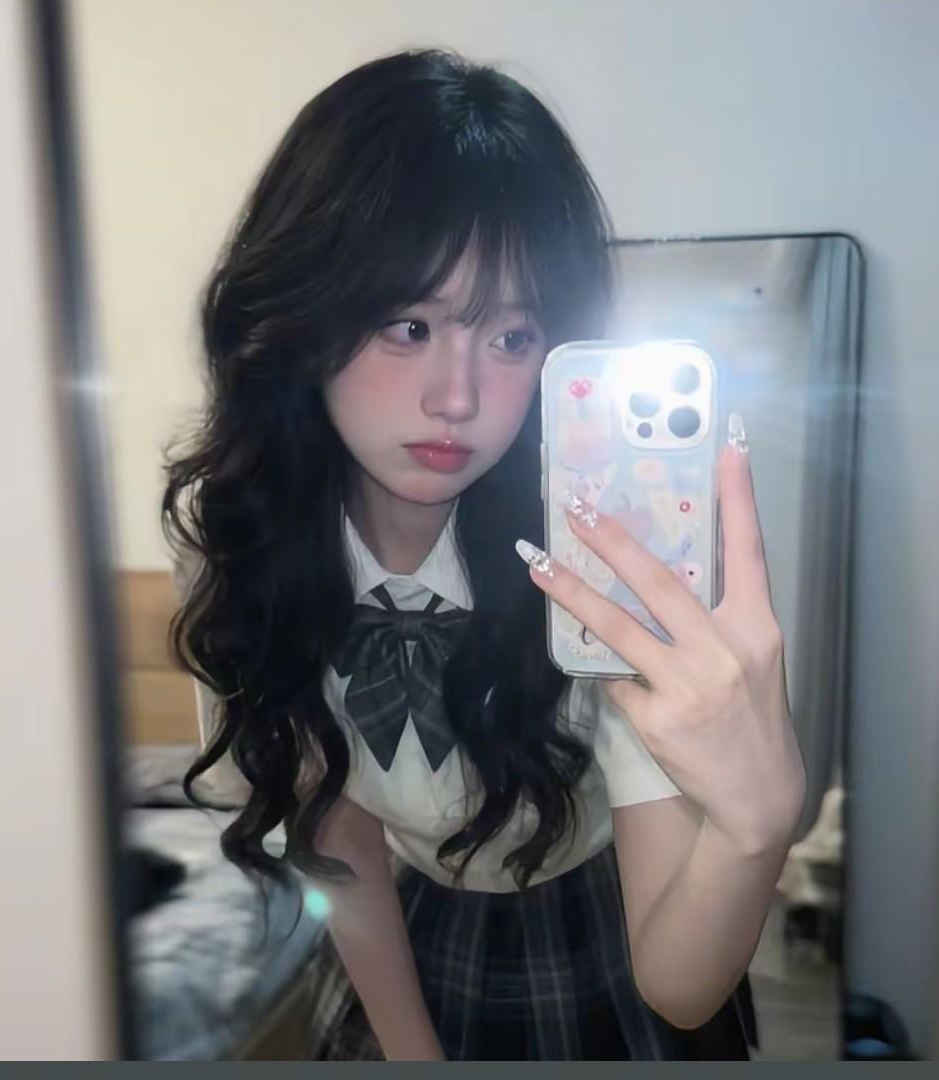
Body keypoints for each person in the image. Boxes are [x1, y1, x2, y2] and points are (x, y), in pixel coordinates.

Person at [164, 48, 805, 1061]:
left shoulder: (599, 548)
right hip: (408, 925)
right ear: (304, 316)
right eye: (407, 325)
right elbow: (335, 826)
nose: (457, 398)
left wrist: (755, 825)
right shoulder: (237, 536)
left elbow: (679, 989)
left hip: (603, 915)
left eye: (511, 338)